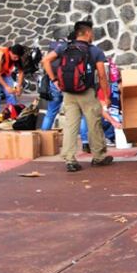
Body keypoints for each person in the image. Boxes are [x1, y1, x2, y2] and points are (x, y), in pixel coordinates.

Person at [41, 21, 113, 172]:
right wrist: (106, 96)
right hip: (86, 92)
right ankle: (98, 157)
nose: (92, 35)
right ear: (87, 33)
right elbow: (101, 75)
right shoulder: (95, 51)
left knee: (70, 126)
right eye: (91, 33)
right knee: (94, 123)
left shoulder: (64, 47)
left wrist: (54, 80)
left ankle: (70, 159)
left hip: (68, 92)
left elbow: (46, 60)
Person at [0, 43, 25, 115]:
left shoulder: (17, 57)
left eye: (18, 57)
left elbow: (21, 72)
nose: (17, 59)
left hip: (4, 72)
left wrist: (19, 86)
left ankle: (13, 114)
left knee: (11, 93)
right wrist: (6, 87)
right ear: (10, 52)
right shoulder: (0, 54)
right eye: (15, 57)